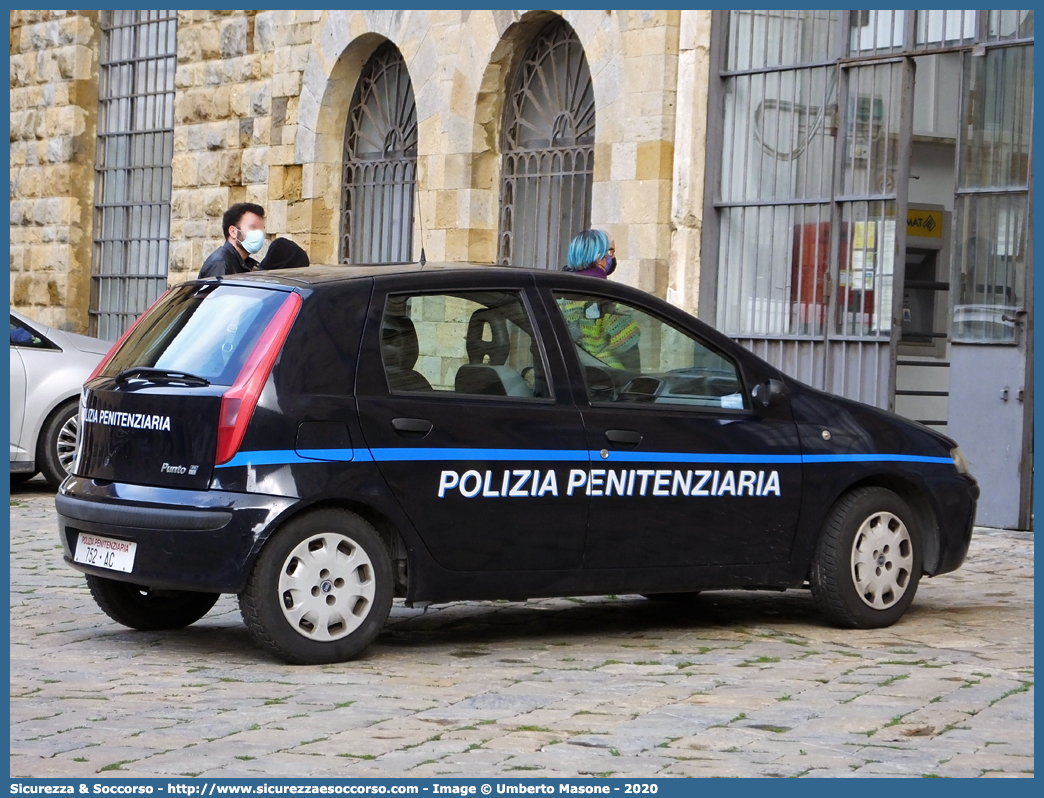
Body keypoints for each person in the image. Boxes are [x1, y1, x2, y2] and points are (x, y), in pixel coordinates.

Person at [198, 202, 266, 279]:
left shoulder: (247, 264)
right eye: (253, 227)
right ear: (233, 232)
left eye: (261, 229)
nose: (259, 234)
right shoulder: (221, 264)